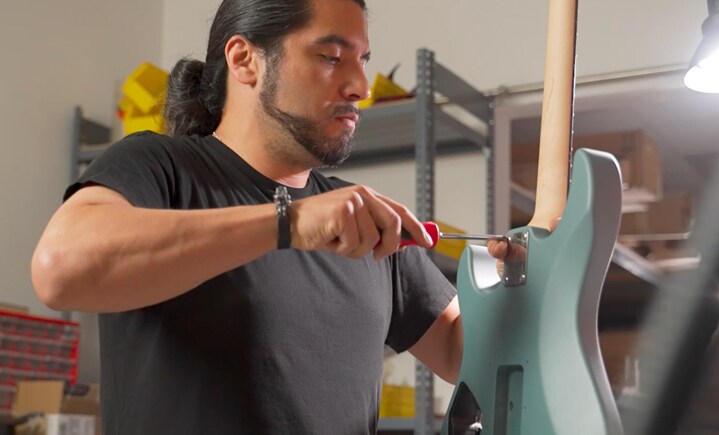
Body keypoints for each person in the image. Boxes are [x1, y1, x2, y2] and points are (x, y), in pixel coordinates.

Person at [31, 0, 511, 433]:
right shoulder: (158, 167)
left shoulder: (360, 217)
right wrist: (287, 222)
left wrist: (544, 284)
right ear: (244, 60)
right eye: (330, 57)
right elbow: (60, 270)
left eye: (362, 60)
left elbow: (464, 354)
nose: (361, 86)